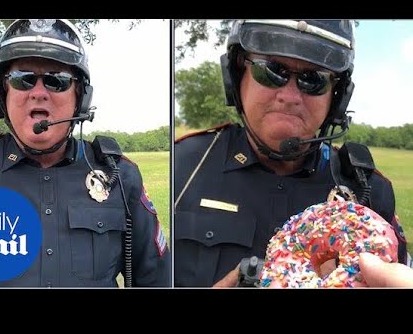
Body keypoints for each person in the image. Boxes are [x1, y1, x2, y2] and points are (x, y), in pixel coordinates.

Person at [0, 19, 171, 288]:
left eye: (56, 81)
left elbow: (157, 280)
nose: (38, 93)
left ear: (81, 97)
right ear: (2, 94)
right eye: (23, 79)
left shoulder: (119, 174)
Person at [174, 20, 409, 287]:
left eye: (314, 80)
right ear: (236, 76)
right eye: (271, 71)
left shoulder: (367, 189)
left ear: (338, 97)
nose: (289, 95)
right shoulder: (184, 165)